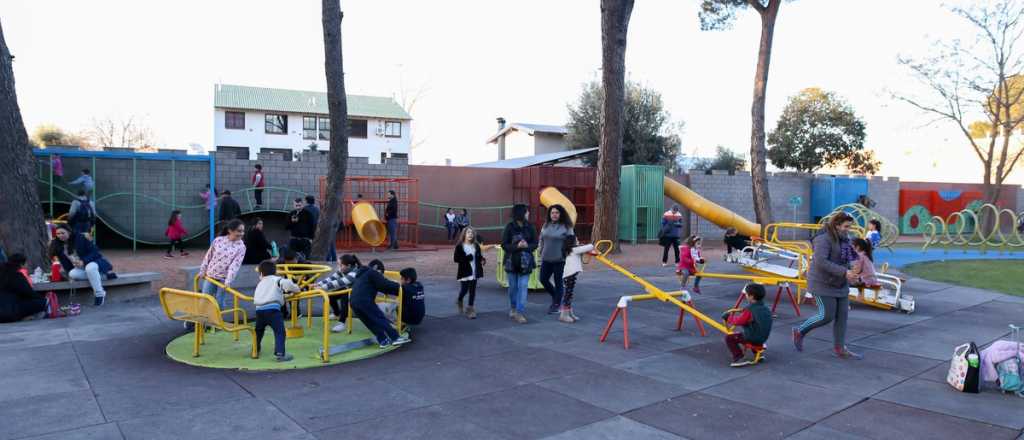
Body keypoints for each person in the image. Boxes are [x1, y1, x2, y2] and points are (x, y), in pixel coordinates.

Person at [793, 212, 862, 360]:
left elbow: (846, 260)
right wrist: (845, 272)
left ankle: (840, 348)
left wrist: (853, 274)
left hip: (839, 283)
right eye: (846, 226)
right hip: (821, 282)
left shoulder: (845, 239)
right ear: (836, 225)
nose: (848, 229)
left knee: (842, 316)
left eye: (850, 226)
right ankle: (800, 331)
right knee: (826, 316)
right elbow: (820, 262)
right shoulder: (823, 239)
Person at [339, 254, 411, 348]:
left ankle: (383, 340)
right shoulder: (373, 273)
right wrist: (399, 287)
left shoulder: (362, 274)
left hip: (353, 302)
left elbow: (377, 286)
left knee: (370, 322)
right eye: (381, 274)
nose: (381, 275)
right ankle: (395, 337)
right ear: (379, 270)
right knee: (379, 318)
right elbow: (385, 285)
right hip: (364, 300)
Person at [50, 223, 116, 306]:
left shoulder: (80, 238)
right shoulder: (59, 246)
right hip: (80, 269)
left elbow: (95, 252)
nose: (60, 235)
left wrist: (83, 261)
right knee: (72, 273)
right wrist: (69, 276)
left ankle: (99, 294)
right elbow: (66, 265)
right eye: (58, 234)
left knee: (90, 268)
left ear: (69, 232)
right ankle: (105, 276)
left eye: (63, 233)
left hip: (93, 263)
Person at [253, 261, 300, 362]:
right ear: (275, 272)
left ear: (261, 274)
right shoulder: (277, 280)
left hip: (259, 311)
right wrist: (297, 289)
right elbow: (288, 284)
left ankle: (255, 350)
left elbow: (267, 294)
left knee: (258, 331)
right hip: (273, 310)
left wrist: (282, 296)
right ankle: (280, 353)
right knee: (279, 331)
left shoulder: (260, 284)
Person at [197, 219, 246, 310]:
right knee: (205, 299)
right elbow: (208, 256)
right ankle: (198, 322)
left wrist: (228, 280)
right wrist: (202, 270)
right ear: (230, 230)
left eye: (243, 231)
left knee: (219, 303)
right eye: (239, 231)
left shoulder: (241, 247)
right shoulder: (218, 240)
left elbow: (235, 265)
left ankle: (215, 322)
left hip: (224, 279)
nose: (242, 233)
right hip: (211, 275)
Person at [501, 204, 537, 324]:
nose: (528, 214)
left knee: (522, 286)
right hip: (511, 262)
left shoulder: (530, 227)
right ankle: (513, 307)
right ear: (521, 213)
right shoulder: (509, 227)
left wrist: (527, 246)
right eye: (527, 212)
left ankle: (519, 312)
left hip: (525, 262)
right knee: (513, 288)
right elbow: (504, 245)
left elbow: (535, 243)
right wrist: (517, 246)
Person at [722, 283, 773, 367]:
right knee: (756, 330)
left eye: (746, 294)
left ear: (751, 296)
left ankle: (739, 357)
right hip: (763, 337)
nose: (745, 295)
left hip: (752, 337)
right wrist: (744, 310)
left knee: (730, 338)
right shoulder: (765, 308)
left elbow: (739, 321)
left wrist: (728, 318)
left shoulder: (749, 310)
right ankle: (759, 354)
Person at [539, 204, 574, 316]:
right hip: (546, 258)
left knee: (558, 282)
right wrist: (540, 250)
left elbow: (571, 241)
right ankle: (556, 296)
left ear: (561, 214)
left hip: (560, 259)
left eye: (557, 213)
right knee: (543, 279)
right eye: (552, 212)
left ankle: (556, 304)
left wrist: (567, 253)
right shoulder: (546, 225)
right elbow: (541, 239)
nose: (554, 215)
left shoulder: (567, 226)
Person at [315, 256, 359, 332]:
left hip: (358, 291)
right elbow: (332, 278)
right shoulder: (344, 270)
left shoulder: (354, 272)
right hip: (349, 288)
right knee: (330, 296)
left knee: (344, 299)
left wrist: (322, 287)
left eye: (341, 265)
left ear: (348, 266)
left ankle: (342, 323)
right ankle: (336, 314)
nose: (339, 267)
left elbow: (340, 282)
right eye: (338, 265)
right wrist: (318, 284)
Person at [0, 253, 47, 323]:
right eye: (26, 263)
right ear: (22, 264)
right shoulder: (16, 275)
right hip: (9, 313)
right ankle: (23, 317)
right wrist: (44, 299)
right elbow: (29, 293)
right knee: (42, 303)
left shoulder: (3, 272)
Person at [559, 236, 595, 323]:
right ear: (572, 242)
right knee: (568, 295)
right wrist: (592, 243)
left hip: (570, 275)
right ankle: (564, 314)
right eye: (577, 240)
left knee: (569, 294)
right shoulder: (574, 249)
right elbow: (590, 247)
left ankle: (569, 313)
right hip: (569, 275)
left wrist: (581, 246)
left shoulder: (572, 250)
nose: (578, 241)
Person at [454, 226, 486, 319]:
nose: (470, 234)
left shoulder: (476, 245)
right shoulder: (460, 246)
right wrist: (468, 258)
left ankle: (470, 309)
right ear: (464, 234)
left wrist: (482, 259)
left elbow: (479, 256)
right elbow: (456, 259)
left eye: (472, 233)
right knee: (464, 290)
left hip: (474, 272)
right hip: (464, 272)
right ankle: (459, 300)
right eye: (468, 233)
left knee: (472, 291)